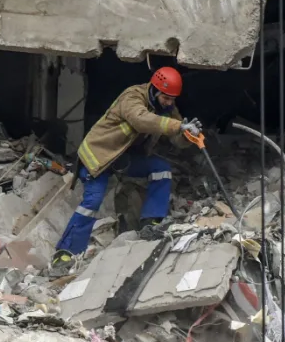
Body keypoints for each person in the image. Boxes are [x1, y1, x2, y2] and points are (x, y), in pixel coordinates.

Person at [52, 67, 200, 268]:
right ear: (155, 91)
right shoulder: (132, 96)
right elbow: (141, 120)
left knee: (161, 169)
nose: (169, 103)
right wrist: (177, 126)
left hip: (123, 158)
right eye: (166, 98)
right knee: (92, 202)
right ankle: (65, 252)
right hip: (98, 157)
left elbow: (176, 138)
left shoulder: (166, 107)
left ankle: (150, 224)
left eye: (172, 99)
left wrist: (187, 135)